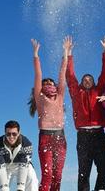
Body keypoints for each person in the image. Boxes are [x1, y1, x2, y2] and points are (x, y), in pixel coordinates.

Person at [66, 35, 105, 191]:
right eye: (84, 79)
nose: (87, 81)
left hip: (99, 134)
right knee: (83, 173)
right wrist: (69, 54)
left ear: (93, 82)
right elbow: (70, 76)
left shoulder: (98, 90)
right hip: (83, 137)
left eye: (89, 79)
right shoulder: (76, 92)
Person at [29, 36, 71, 191]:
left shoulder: (60, 96)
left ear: (54, 85)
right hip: (45, 137)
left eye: (50, 83)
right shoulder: (39, 97)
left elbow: (62, 74)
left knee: (58, 175)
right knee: (47, 174)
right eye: (45, 83)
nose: (47, 84)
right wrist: (36, 55)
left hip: (60, 137)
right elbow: (38, 75)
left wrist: (65, 53)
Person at [0, 120, 38, 191]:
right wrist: (4, 188)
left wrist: (20, 188)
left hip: (21, 165)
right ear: (5, 133)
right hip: (4, 166)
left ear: (19, 133)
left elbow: (24, 165)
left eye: (14, 134)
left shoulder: (26, 144)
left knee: (32, 179)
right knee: (0, 188)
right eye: (8, 134)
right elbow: (0, 167)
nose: (11, 137)